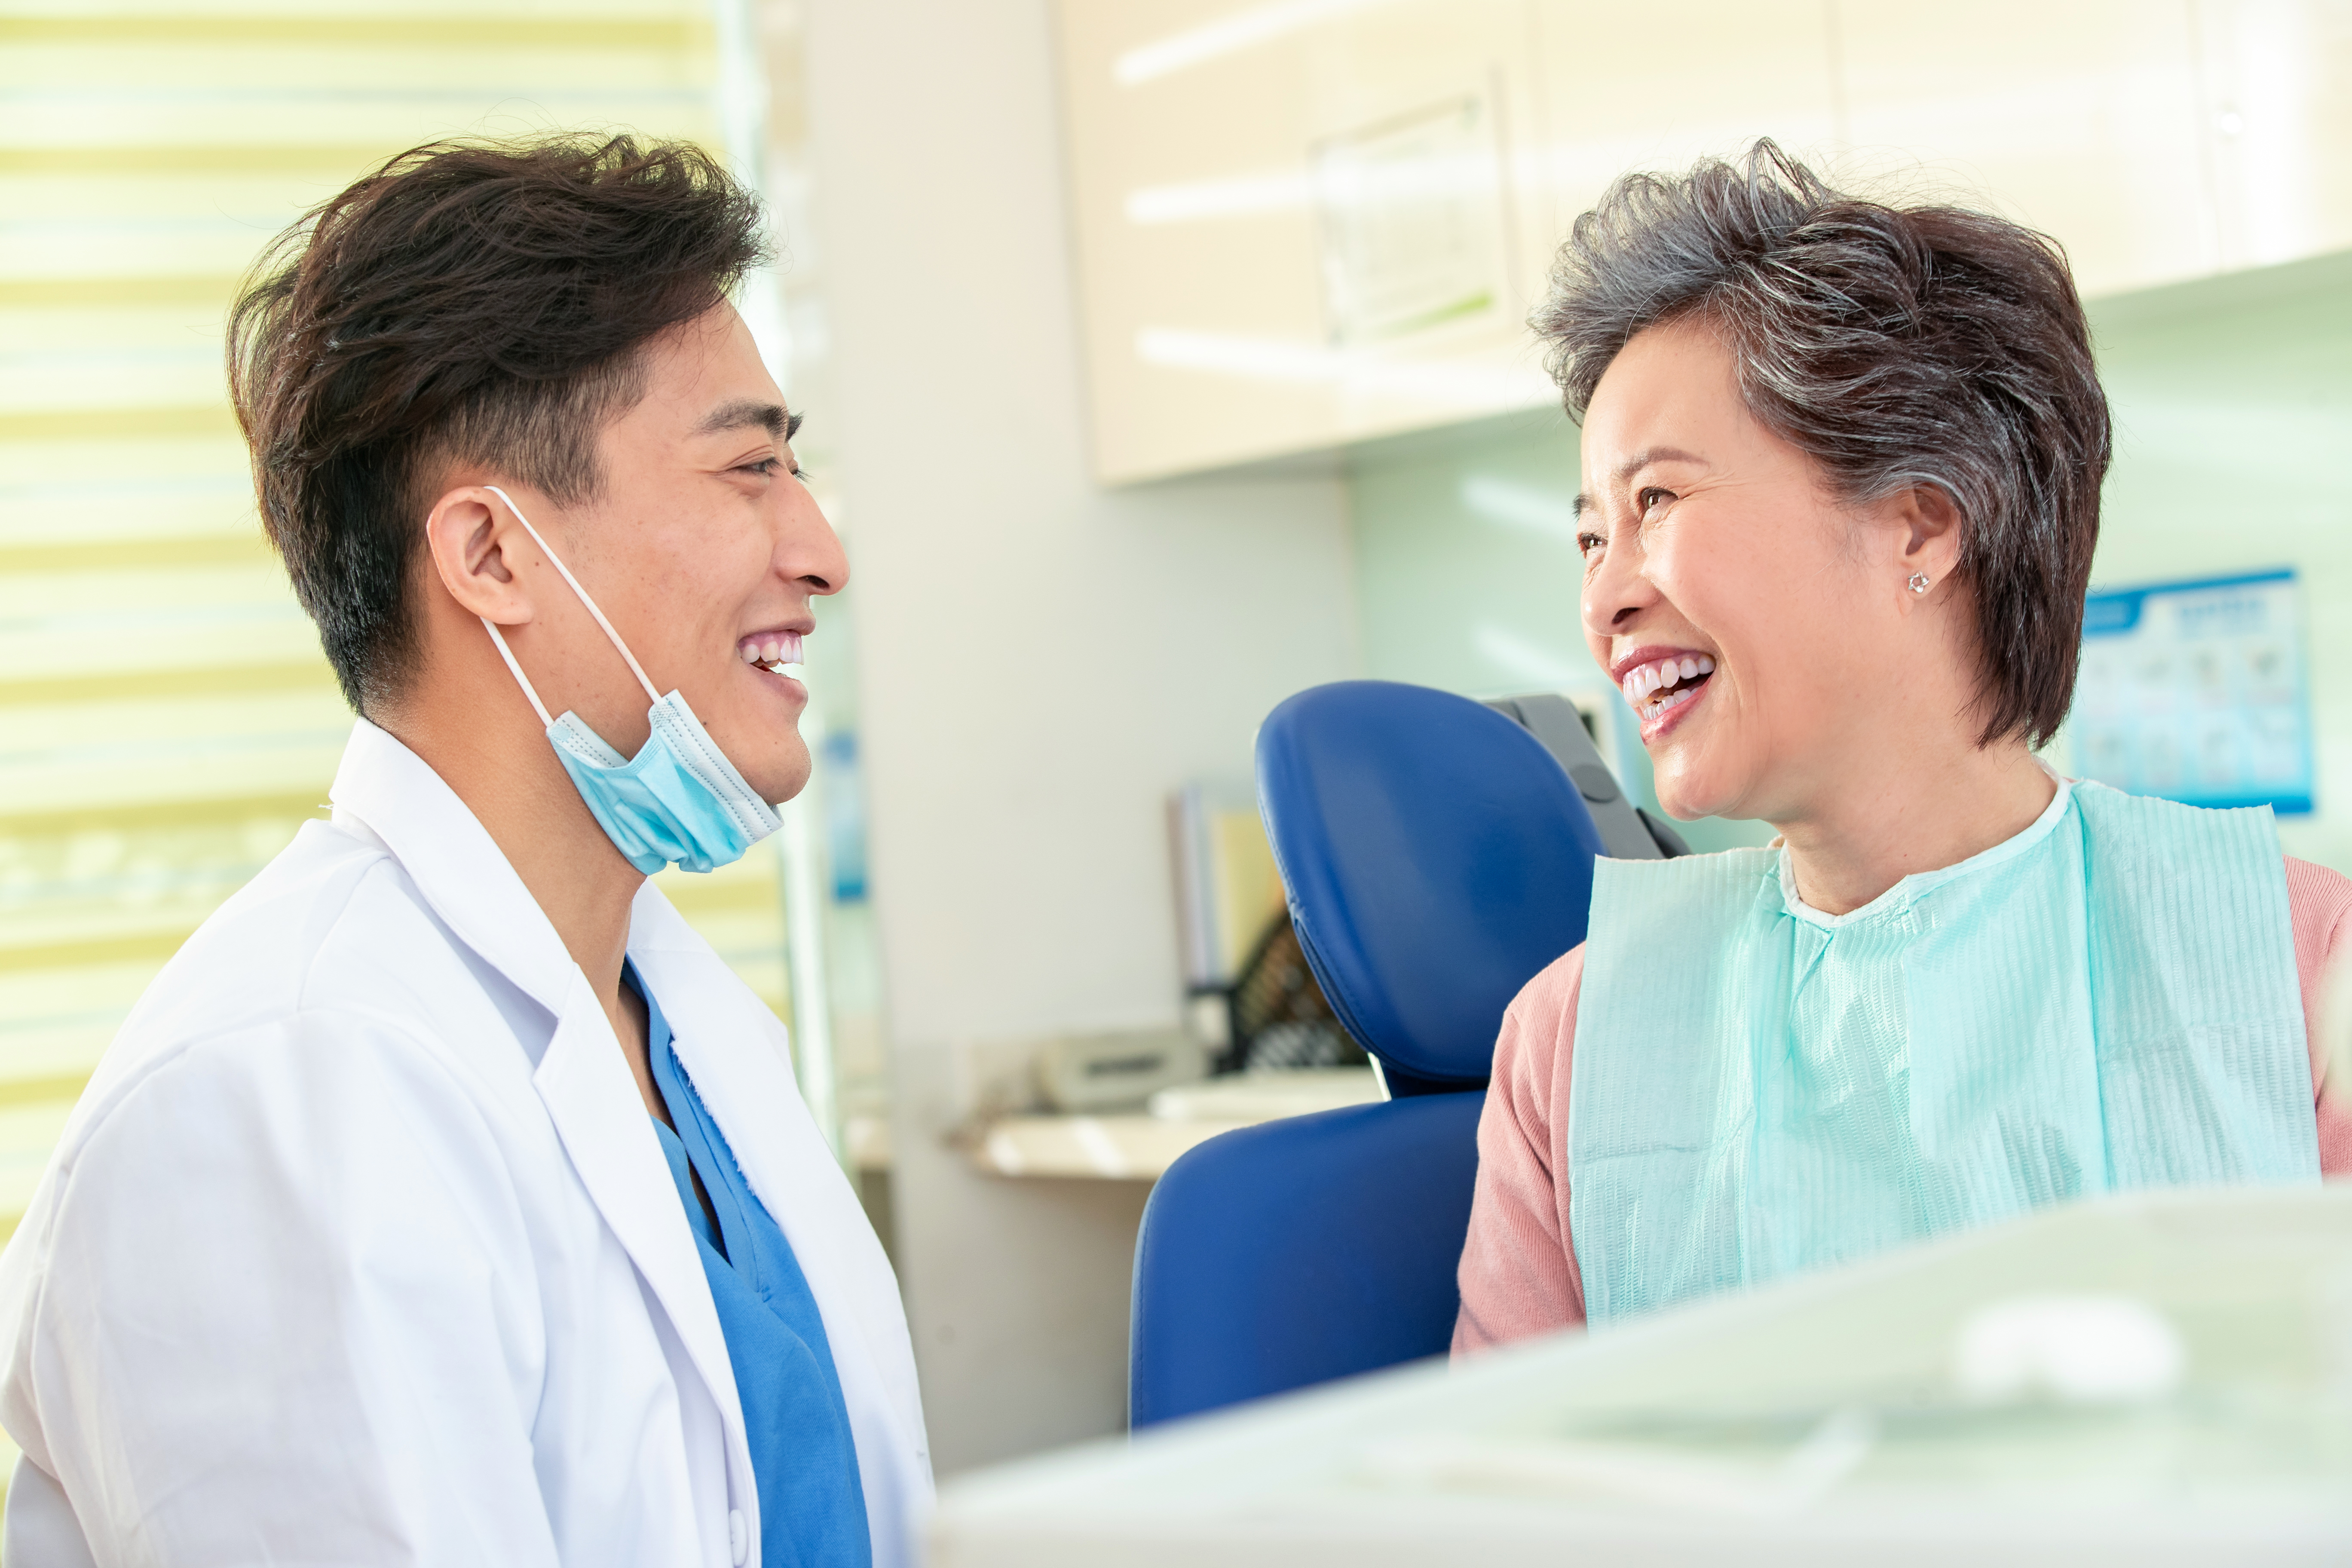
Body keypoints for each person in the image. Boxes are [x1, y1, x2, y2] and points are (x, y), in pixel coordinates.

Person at [0, 136, 929, 1564]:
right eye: (750, 466)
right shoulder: (283, 1093)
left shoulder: (675, 1025)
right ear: (493, 557)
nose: (820, 546)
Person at [1455, 141, 2352, 1350]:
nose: (1604, 599)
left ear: (1920, 526)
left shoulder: (2302, 973)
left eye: (1656, 502)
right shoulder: (1569, 1046)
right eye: (1587, 538)